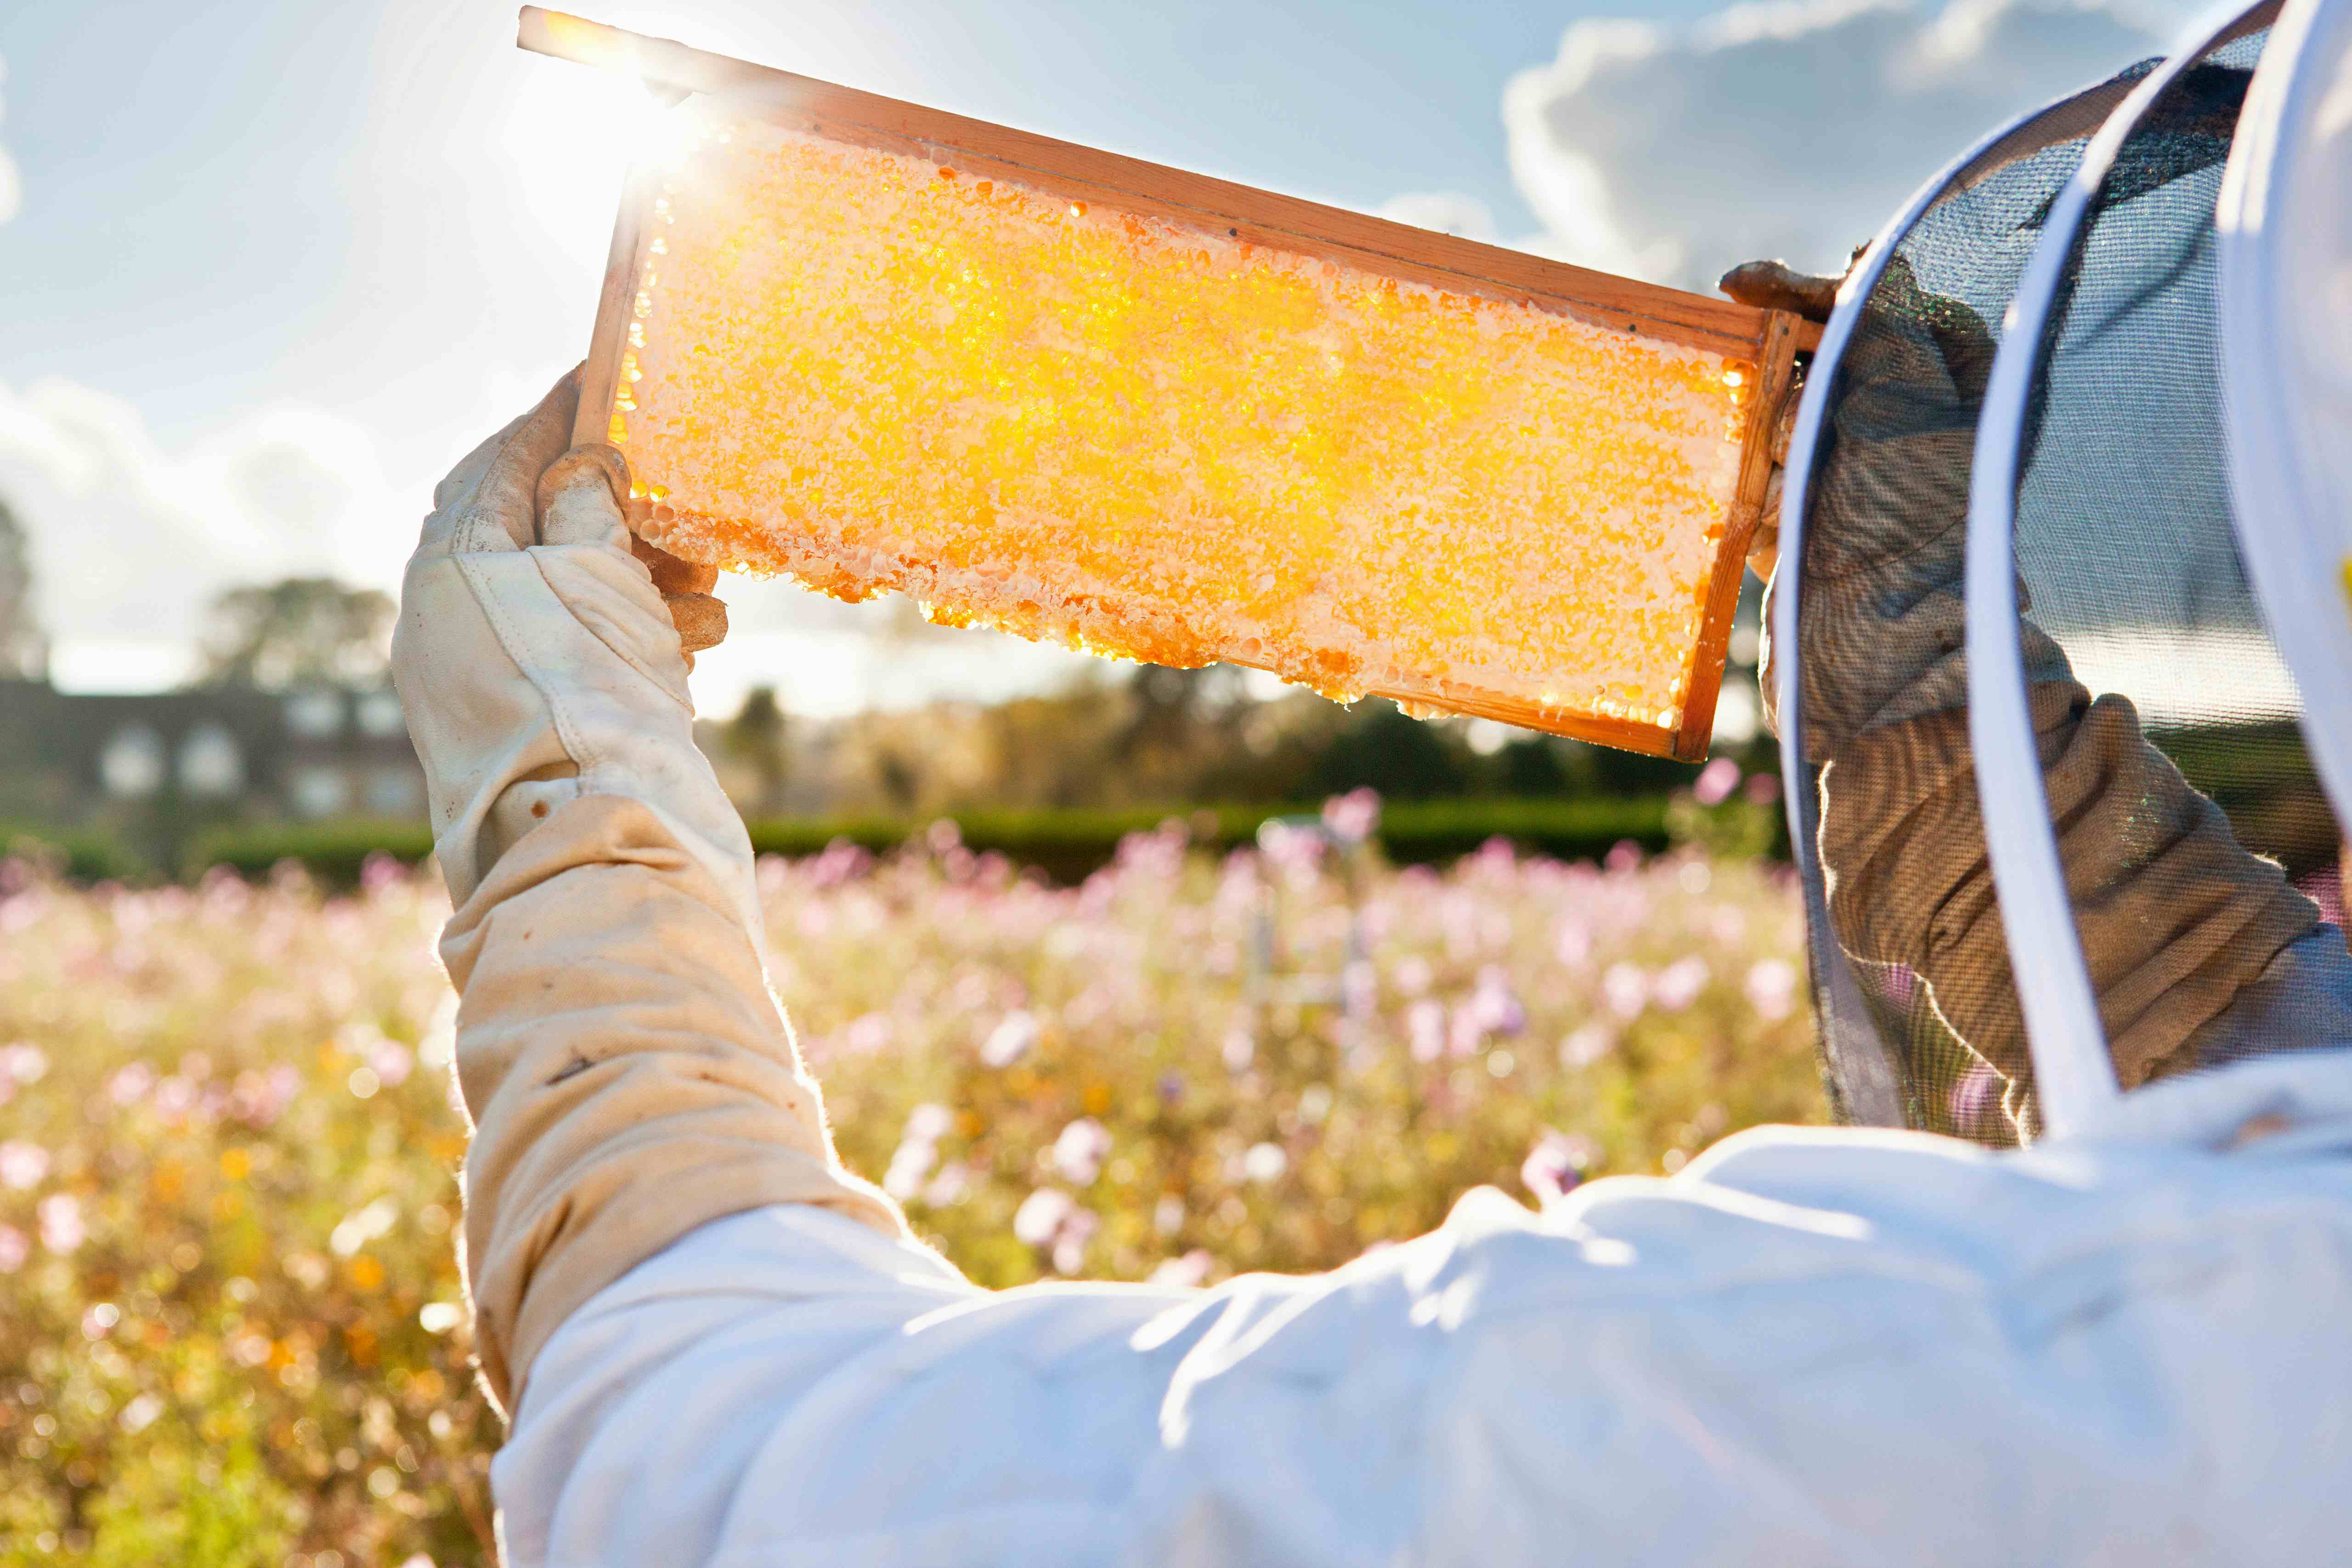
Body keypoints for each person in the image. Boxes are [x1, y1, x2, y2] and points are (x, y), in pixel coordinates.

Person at [394, 9, 2352, 1562]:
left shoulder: (1910, 1392)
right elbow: (2297, 1110)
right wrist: (1991, 795)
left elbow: (723, 1472)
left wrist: (559, 770)